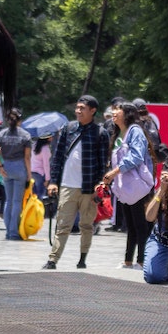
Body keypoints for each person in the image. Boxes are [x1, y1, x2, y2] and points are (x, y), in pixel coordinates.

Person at [45, 96, 106, 269]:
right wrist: (53, 181)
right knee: (62, 224)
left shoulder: (100, 133)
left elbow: (103, 162)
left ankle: (82, 259)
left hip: (89, 187)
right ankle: (52, 260)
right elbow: (57, 157)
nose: (78, 111)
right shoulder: (68, 128)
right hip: (67, 185)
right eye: (77, 108)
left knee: (86, 225)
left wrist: (99, 185)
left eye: (82, 108)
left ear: (93, 110)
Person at [101, 101, 154, 267]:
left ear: (127, 113)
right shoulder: (118, 133)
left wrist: (115, 171)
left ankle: (142, 260)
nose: (114, 112)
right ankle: (128, 260)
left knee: (141, 225)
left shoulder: (135, 131)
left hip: (137, 186)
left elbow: (136, 156)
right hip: (124, 187)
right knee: (130, 225)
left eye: (118, 109)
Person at [0, 109, 33, 242]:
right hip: (20, 167)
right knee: (17, 201)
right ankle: (13, 232)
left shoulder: (2, 134)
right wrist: (29, 175)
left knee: (8, 201)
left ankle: (8, 231)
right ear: (20, 120)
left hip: (6, 167)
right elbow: (27, 157)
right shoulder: (25, 135)